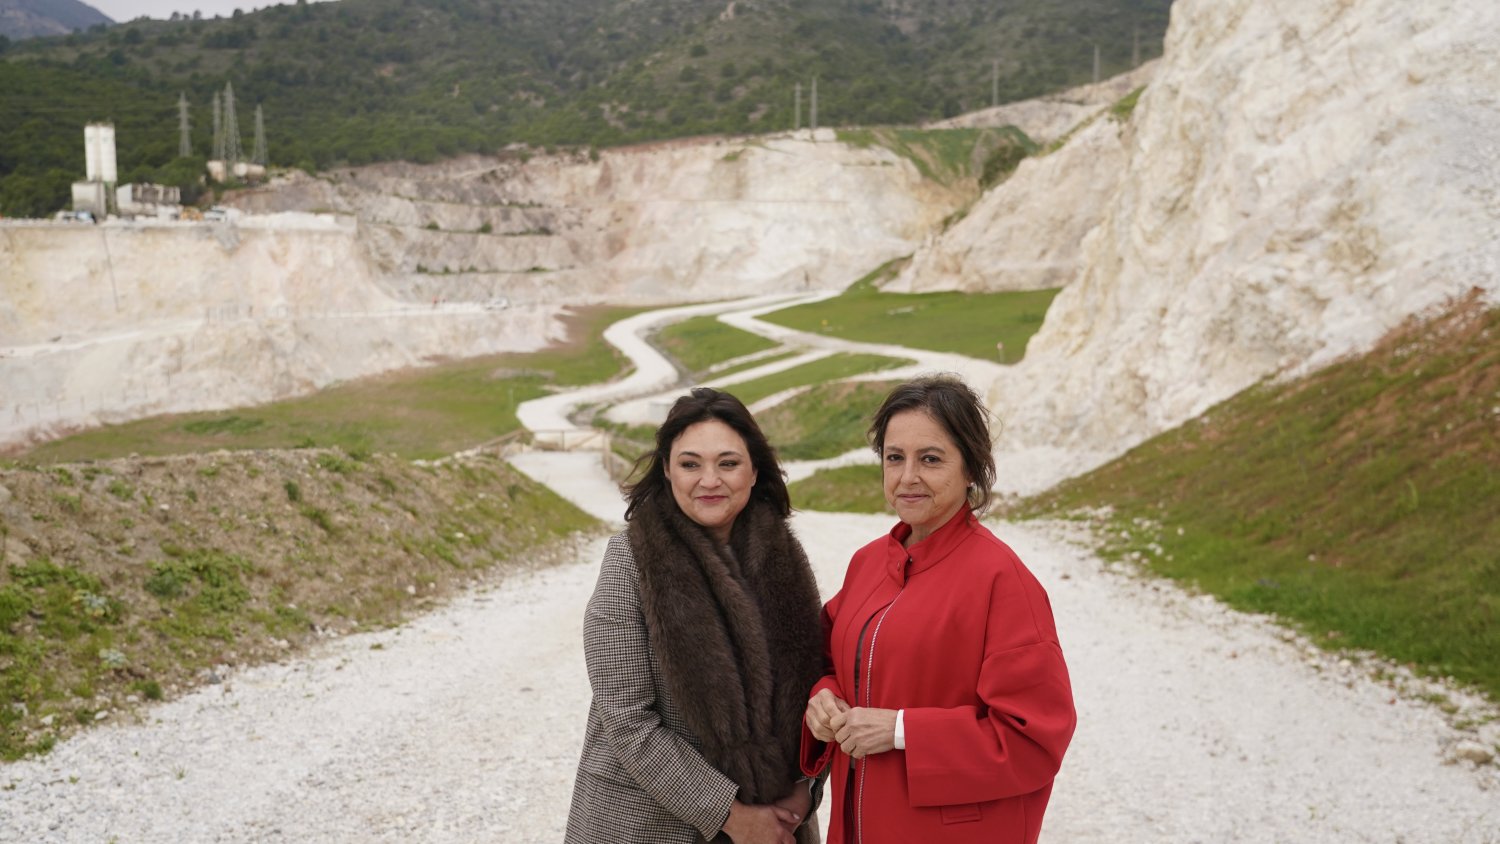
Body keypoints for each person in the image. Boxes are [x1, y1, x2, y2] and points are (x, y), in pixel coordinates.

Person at [801, 375, 1076, 844]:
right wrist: (823, 698)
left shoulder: (1002, 581)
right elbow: (827, 655)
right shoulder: (869, 562)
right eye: (894, 458)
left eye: (930, 459)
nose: (908, 477)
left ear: (970, 468)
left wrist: (902, 730)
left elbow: (1034, 739)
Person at [565, 387, 827, 844]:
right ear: (666, 469)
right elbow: (627, 719)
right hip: (651, 825)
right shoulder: (630, 560)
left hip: (780, 824)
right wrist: (733, 816)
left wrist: (806, 789)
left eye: (728, 463)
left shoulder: (784, 556)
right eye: (690, 464)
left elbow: (818, 689)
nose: (710, 480)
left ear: (754, 469)